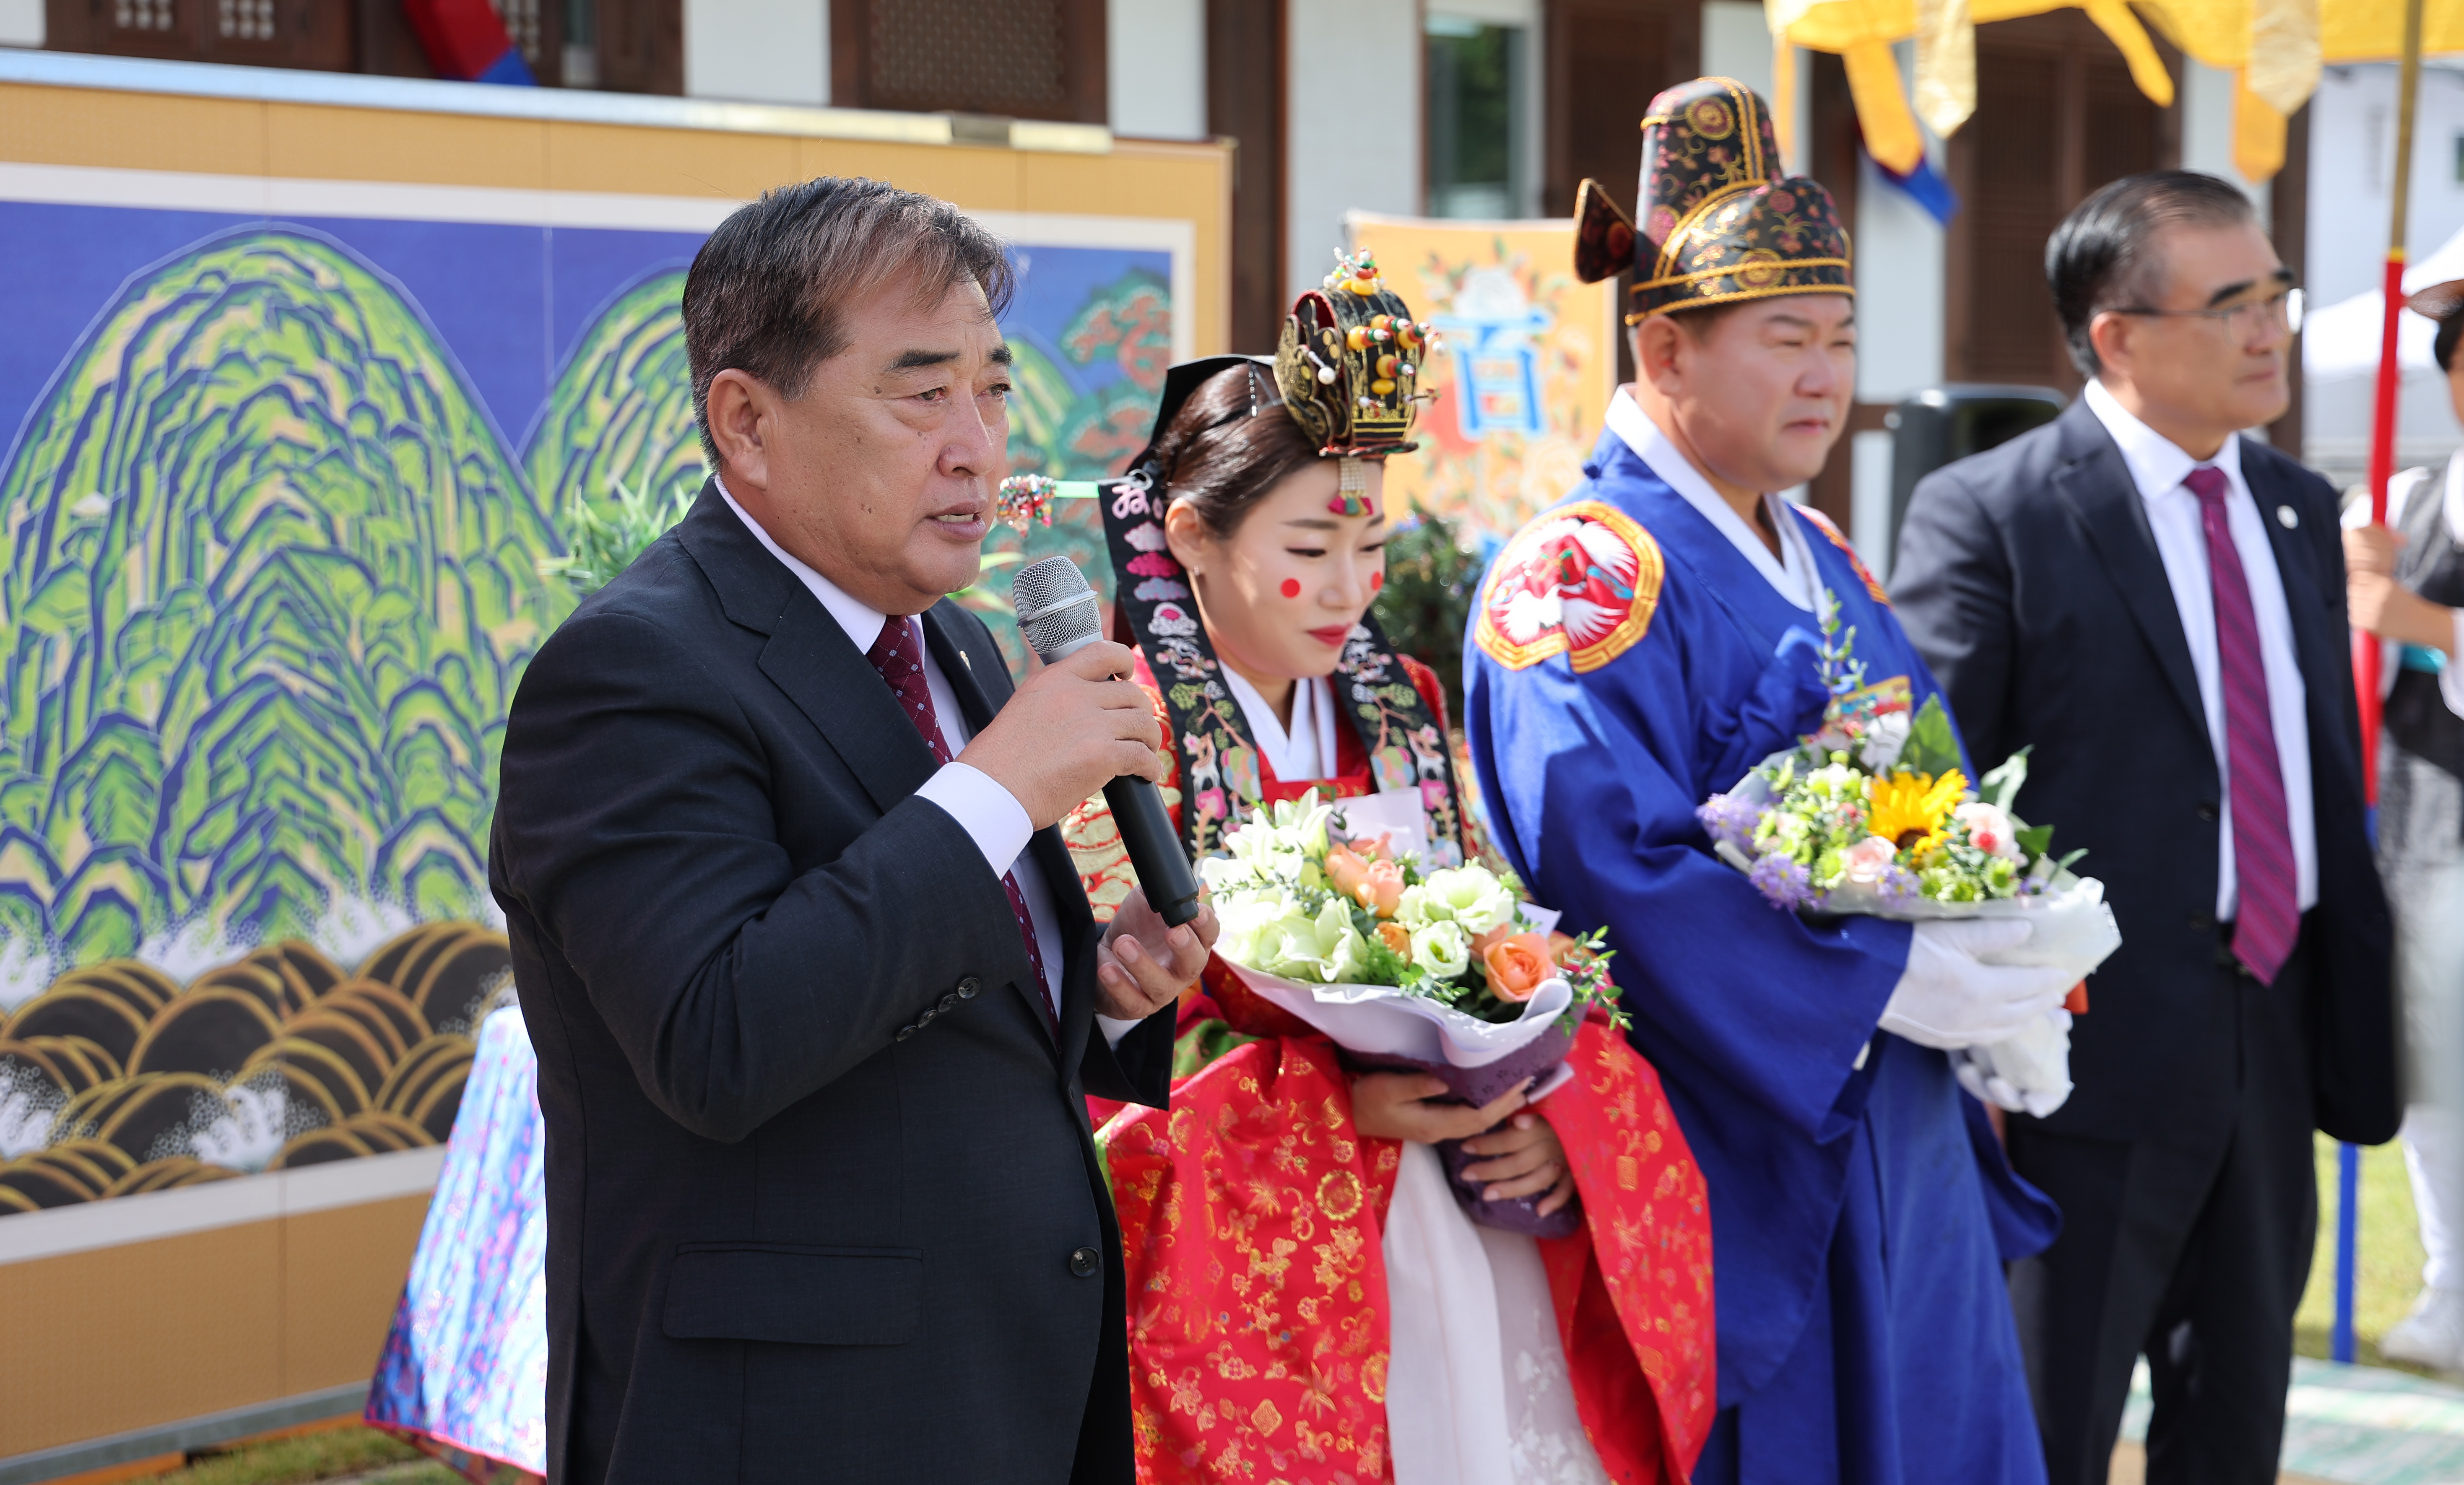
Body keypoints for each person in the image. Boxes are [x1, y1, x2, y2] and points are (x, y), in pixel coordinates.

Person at [489, 177, 1214, 1485]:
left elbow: (948, 1009)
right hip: (789, 1428)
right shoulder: (631, 672)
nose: (979, 446)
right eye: (921, 393)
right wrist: (998, 791)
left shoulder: (964, 644)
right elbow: (722, 1038)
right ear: (749, 423)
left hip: (1012, 1381)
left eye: (994, 390)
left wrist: (1101, 993)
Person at [1466, 76, 2063, 1485]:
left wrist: (1990, 926)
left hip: (1895, 1111)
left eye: (1842, 339)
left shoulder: (1828, 557)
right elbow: (1605, 863)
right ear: (1665, 349)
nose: (1826, 377)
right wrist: (1876, 979)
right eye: (1786, 337)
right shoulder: (1586, 572)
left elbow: (1936, 785)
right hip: (1735, 1128)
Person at [1055, 257, 1717, 1485]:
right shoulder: (1122, 733)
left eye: (1374, 543)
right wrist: (1332, 1117)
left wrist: (1550, 1113)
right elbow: (1107, 1055)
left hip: (1457, 1215)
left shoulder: (1403, 705)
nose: (1356, 592)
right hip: (1271, 1248)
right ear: (1190, 534)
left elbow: (1505, 955)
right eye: (1315, 544)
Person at [1889, 170, 2400, 1485]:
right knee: (2049, 1424)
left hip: (2271, 1030)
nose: (2270, 329)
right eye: (2233, 303)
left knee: (2234, 1425)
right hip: (2085, 1055)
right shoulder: (1995, 512)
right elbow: (1936, 805)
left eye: (2276, 293)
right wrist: (1996, 1026)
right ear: (2116, 333)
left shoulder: (2293, 505)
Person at [2342, 275, 2464, 1371]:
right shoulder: (2404, 500)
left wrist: (2425, 623)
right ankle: (2452, 1288)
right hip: (2423, 835)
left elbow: (2416, 632)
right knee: (2431, 1075)